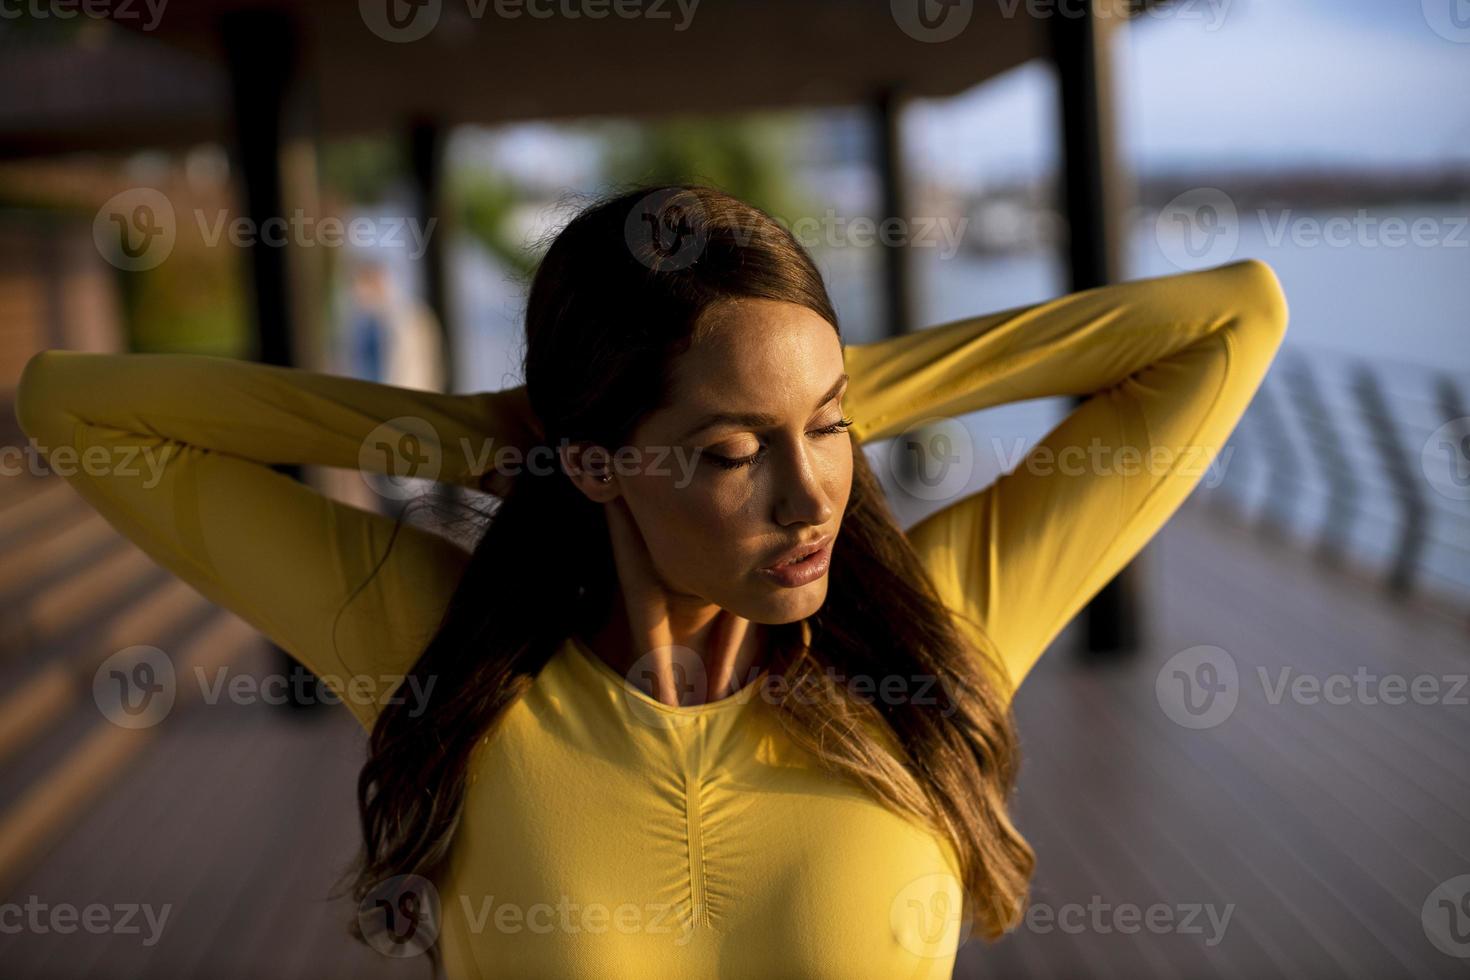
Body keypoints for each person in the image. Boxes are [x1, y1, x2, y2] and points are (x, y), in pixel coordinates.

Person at [14, 184, 1289, 977]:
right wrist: (476, 431)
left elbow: (1239, 313)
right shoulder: (434, 646)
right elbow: (78, 408)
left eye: (833, 435)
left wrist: (807, 379)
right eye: (733, 455)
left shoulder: (933, 632)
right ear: (596, 460)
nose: (812, 500)